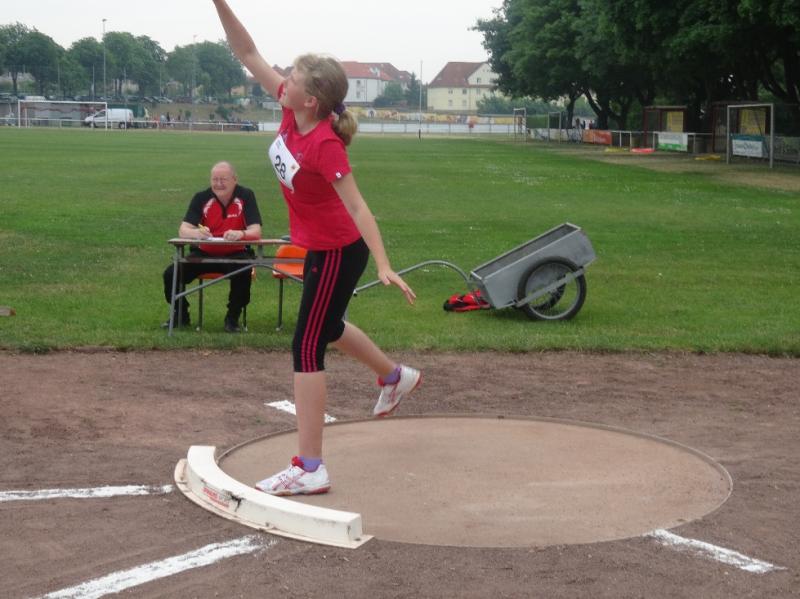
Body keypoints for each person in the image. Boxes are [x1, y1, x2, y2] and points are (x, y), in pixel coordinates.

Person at [212, 0, 422, 496]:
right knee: (325, 327)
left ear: (311, 99)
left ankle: (310, 467)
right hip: (322, 246)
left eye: (294, 77)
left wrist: (385, 264)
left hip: (339, 250)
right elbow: (247, 51)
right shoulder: (292, 108)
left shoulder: (325, 144)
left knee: (306, 343)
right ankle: (394, 376)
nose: (284, 80)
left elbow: (359, 208)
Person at [162, 161, 263, 333]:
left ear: (235, 179)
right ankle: (181, 314)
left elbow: (256, 231)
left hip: (236, 253)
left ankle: (232, 319)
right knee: (171, 273)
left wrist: (241, 234)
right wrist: (196, 233)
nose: (218, 184)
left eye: (223, 179)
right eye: (215, 179)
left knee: (243, 271)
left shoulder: (246, 196)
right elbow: (183, 230)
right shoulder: (201, 198)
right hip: (204, 253)